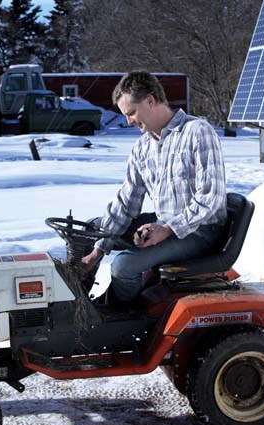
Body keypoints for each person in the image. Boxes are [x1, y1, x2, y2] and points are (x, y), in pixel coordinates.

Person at [81, 71, 227, 303]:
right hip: (162, 224)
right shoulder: (143, 147)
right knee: (91, 229)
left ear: (150, 100)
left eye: (131, 113)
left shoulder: (197, 132)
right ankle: (82, 300)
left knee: (123, 266)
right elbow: (127, 201)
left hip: (199, 232)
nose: (128, 121)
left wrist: (168, 229)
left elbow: (211, 197)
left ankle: (126, 317)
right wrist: (98, 251)